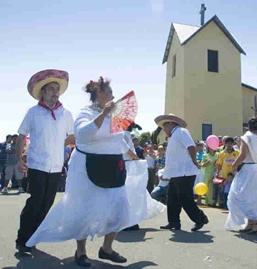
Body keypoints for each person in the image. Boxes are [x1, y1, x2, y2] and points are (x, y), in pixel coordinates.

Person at [26, 77, 164, 267]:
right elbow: (83, 134)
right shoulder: (85, 113)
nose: (114, 97)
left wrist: (133, 157)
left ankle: (106, 248)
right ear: (99, 94)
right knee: (84, 209)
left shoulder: (114, 116)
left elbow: (119, 139)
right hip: (86, 167)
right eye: (110, 93)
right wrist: (104, 114)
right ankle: (81, 252)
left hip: (113, 166)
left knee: (119, 210)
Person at [15, 69, 74, 254]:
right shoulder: (33, 112)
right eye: (51, 89)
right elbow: (21, 136)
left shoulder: (66, 113)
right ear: (43, 92)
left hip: (56, 166)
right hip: (37, 164)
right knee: (35, 201)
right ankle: (22, 239)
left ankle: (33, 238)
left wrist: (63, 149)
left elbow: (71, 138)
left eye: (57, 89)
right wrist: (19, 159)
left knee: (47, 203)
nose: (55, 92)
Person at [155, 113, 208, 232]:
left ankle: (200, 218)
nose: (164, 130)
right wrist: (167, 172)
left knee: (185, 198)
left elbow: (191, 147)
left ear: (170, 123)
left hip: (185, 172)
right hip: (176, 173)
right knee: (172, 199)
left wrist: (194, 161)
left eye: (164, 127)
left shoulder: (181, 132)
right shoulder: (174, 135)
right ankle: (173, 222)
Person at [225, 118, 257, 234]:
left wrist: (235, 164)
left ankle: (254, 222)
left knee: (240, 195)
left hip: (249, 169)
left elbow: (243, 154)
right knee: (254, 196)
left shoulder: (247, 137)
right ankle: (251, 223)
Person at [215, 137, 240, 208]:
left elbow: (240, 163)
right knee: (224, 192)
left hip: (235, 176)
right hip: (224, 176)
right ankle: (224, 205)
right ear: (225, 144)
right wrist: (217, 173)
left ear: (233, 144)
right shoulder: (222, 153)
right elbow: (219, 164)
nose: (229, 145)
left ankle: (234, 206)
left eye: (230, 143)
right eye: (227, 143)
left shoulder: (237, 152)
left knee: (234, 192)